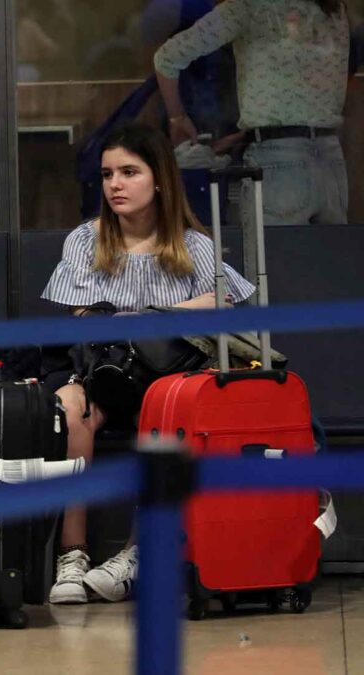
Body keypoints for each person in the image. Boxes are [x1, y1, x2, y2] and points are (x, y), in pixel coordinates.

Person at [42, 124, 255, 604]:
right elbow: (80, 315)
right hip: (101, 369)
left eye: (129, 172)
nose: (115, 184)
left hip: (162, 380)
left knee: (161, 418)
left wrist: (159, 315)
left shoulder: (190, 246)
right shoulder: (86, 240)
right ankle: (71, 555)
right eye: (107, 174)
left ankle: (135, 555)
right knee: (70, 409)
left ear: (158, 179)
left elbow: (227, 299)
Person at [155, 0, 352, 225]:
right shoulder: (336, 10)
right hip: (331, 160)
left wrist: (177, 117)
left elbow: (167, 59)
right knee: (332, 257)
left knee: (270, 257)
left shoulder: (248, 7)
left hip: (277, 163)